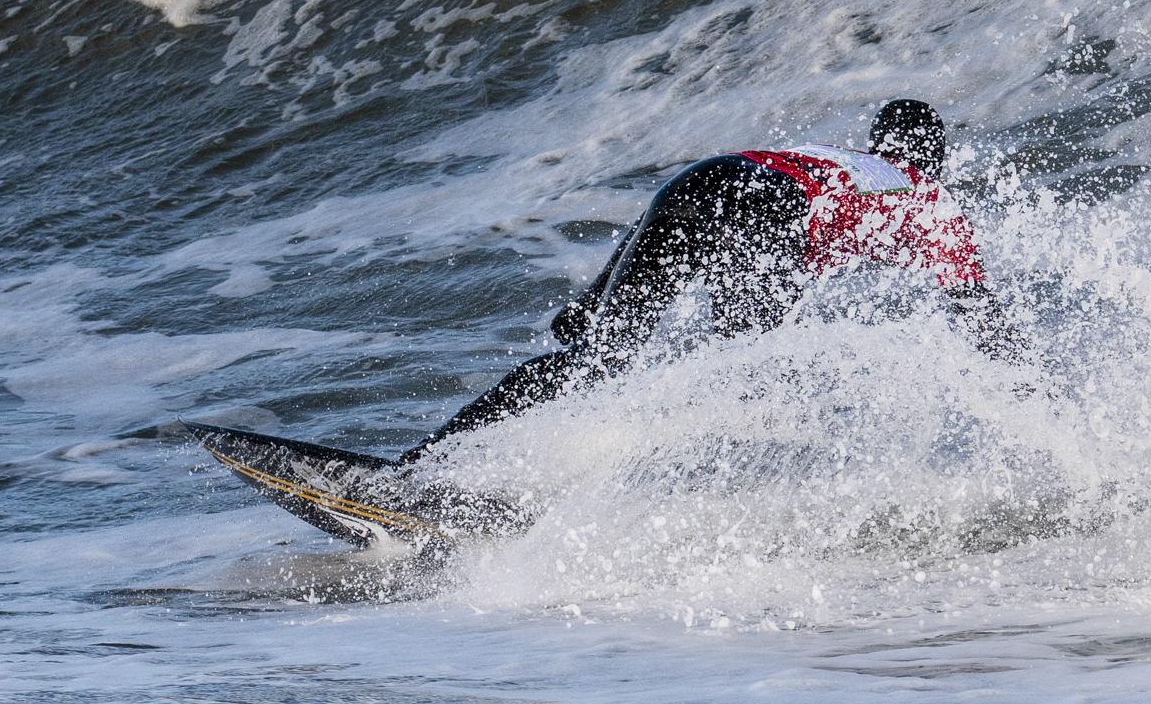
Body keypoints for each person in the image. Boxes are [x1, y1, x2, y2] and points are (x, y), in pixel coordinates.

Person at [403, 98, 1015, 460]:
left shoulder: (841, 158)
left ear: (878, 141)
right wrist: (1023, 388)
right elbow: (979, 314)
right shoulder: (932, 201)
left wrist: (594, 299)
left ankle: (424, 463)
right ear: (935, 157)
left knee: (596, 359)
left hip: (703, 179)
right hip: (768, 208)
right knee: (738, 376)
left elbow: (686, 205)